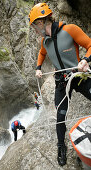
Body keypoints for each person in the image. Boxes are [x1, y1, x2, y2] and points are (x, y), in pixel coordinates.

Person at [28, 2, 91, 166]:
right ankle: (61, 146)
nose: (34, 29)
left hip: (78, 75)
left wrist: (85, 60)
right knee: (60, 115)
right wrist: (38, 68)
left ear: (41, 23)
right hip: (61, 81)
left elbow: (90, 45)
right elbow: (42, 54)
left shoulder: (69, 30)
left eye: (34, 25)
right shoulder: (45, 42)